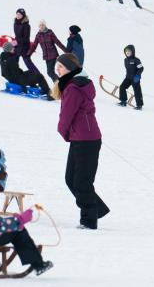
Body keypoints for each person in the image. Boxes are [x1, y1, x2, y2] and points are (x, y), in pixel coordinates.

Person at [53, 53, 109, 230]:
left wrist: (63, 132)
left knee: (81, 181)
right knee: (71, 179)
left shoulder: (73, 88)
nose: (57, 70)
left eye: (61, 67)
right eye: (57, 66)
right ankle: (96, 209)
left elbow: (66, 116)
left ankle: (88, 220)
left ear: (70, 68)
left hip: (86, 139)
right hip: (82, 138)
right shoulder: (75, 84)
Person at [118, 45, 144, 110]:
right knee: (122, 87)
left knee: (137, 91)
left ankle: (139, 105)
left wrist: (137, 76)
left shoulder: (136, 60)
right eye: (126, 51)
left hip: (135, 78)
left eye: (129, 51)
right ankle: (123, 101)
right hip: (128, 78)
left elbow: (141, 68)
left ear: (132, 52)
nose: (127, 53)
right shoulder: (125, 60)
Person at [13, 8, 39, 73]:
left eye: (20, 14)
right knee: (14, 60)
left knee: (27, 61)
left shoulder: (26, 25)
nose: (18, 16)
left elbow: (26, 38)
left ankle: (38, 75)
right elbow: (17, 36)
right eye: (17, 14)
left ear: (23, 15)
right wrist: (14, 43)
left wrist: (16, 41)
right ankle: (15, 75)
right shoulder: (15, 23)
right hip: (18, 46)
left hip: (25, 47)